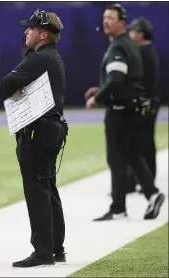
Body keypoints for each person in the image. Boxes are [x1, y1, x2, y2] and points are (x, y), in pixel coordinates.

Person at [0, 10, 68, 268]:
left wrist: (15, 87)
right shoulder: (52, 57)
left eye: (31, 28)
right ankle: (56, 249)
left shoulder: (39, 58)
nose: (26, 31)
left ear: (43, 34)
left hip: (38, 132)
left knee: (37, 192)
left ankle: (42, 253)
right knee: (48, 190)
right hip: (52, 128)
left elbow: (4, 85)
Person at [84, 4, 165, 221]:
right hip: (131, 108)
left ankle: (118, 207)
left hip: (120, 111)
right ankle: (152, 193)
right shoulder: (129, 45)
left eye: (111, 18)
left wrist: (97, 97)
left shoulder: (118, 47)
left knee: (117, 158)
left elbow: (117, 80)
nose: (106, 21)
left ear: (122, 22)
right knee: (131, 154)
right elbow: (121, 79)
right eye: (104, 18)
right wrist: (101, 89)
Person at [126, 17, 160, 193]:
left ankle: (145, 181)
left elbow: (144, 81)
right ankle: (142, 180)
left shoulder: (143, 53)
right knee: (144, 142)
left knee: (143, 143)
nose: (130, 34)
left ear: (140, 34)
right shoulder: (148, 51)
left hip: (146, 103)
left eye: (133, 31)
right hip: (150, 102)